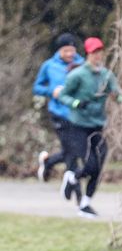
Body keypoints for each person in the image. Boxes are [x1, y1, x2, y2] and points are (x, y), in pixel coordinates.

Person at [59, 37, 122, 218]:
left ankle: (85, 202)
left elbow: (117, 93)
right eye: (94, 52)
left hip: (98, 125)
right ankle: (73, 177)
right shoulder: (77, 75)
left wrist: (120, 99)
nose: (97, 56)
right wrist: (77, 103)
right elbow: (63, 96)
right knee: (90, 164)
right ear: (88, 54)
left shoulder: (106, 75)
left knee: (100, 164)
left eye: (100, 52)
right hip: (78, 125)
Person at [33, 33, 84, 184]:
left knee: (76, 149)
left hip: (78, 113)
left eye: (71, 50)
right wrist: (51, 91)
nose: (69, 54)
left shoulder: (81, 64)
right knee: (71, 149)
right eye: (65, 51)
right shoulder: (49, 66)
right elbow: (37, 87)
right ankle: (73, 186)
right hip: (58, 113)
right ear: (59, 51)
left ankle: (49, 162)